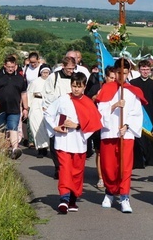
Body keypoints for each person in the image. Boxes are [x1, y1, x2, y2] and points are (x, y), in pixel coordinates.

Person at [44, 72, 102, 214]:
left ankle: (72, 199)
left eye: (79, 86)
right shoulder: (63, 99)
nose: (76, 89)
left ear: (84, 87)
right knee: (64, 169)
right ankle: (64, 199)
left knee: (76, 172)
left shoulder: (88, 103)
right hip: (63, 142)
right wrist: (54, 127)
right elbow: (48, 113)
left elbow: (95, 122)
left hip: (79, 142)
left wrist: (77, 126)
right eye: (73, 86)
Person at [95, 59, 145, 213]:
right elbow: (100, 111)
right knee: (109, 167)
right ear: (114, 72)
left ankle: (124, 196)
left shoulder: (133, 91)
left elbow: (137, 113)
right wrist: (115, 105)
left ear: (128, 72)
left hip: (126, 135)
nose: (122, 76)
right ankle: (110, 192)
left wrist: (127, 125)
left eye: (125, 73)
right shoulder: (106, 89)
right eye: (119, 73)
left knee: (124, 167)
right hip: (109, 133)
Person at [43, 56, 77, 178]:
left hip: (71, 112)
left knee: (70, 139)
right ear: (63, 66)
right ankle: (58, 167)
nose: (71, 71)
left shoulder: (75, 77)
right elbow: (47, 93)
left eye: (73, 68)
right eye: (68, 68)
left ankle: (68, 166)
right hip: (57, 112)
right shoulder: (54, 77)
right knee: (55, 140)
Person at [0, 55, 29, 159]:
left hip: (14, 108)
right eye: (8, 67)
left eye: (12, 66)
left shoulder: (20, 78)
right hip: (0, 107)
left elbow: (24, 94)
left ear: (15, 66)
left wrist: (25, 108)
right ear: (4, 66)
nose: (10, 69)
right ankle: (2, 149)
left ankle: (15, 149)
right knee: (1, 129)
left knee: (13, 127)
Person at [132, 59, 153, 168]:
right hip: (137, 114)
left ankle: (150, 160)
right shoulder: (133, 83)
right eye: (143, 69)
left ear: (150, 70)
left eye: (147, 69)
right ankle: (138, 161)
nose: (145, 71)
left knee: (150, 141)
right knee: (138, 140)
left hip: (150, 115)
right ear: (139, 70)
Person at [27, 65, 52, 157]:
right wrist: (28, 106)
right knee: (36, 125)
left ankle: (46, 147)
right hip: (36, 102)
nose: (45, 74)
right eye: (44, 72)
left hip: (48, 103)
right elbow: (29, 93)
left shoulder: (51, 82)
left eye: (47, 72)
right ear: (40, 72)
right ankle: (41, 148)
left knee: (46, 126)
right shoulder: (35, 82)